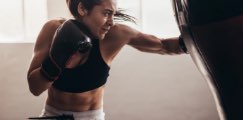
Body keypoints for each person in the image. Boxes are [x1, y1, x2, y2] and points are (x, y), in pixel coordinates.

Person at [27, 0, 187, 119]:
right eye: (106, 13)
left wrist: (194, 39)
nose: (111, 22)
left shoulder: (116, 35)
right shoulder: (52, 29)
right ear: (82, 8)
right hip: (52, 115)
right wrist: (56, 60)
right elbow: (35, 88)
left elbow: (163, 46)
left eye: (113, 14)